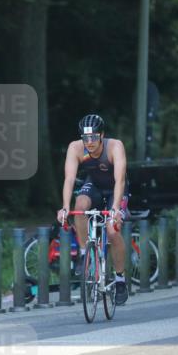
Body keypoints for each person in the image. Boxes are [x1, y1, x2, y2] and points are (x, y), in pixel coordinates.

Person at [56, 114, 129, 305]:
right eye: (85, 138)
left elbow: (120, 180)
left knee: (112, 231)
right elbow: (70, 179)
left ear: (102, 135)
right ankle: (84, 253)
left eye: (94, 138)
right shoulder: (75, 148)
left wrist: (115, 209)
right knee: (79, 206)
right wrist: (64, 207)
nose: (89, 142)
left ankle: (120, 279)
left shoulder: (115, 146)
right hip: (94, 185)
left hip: (116, 189)